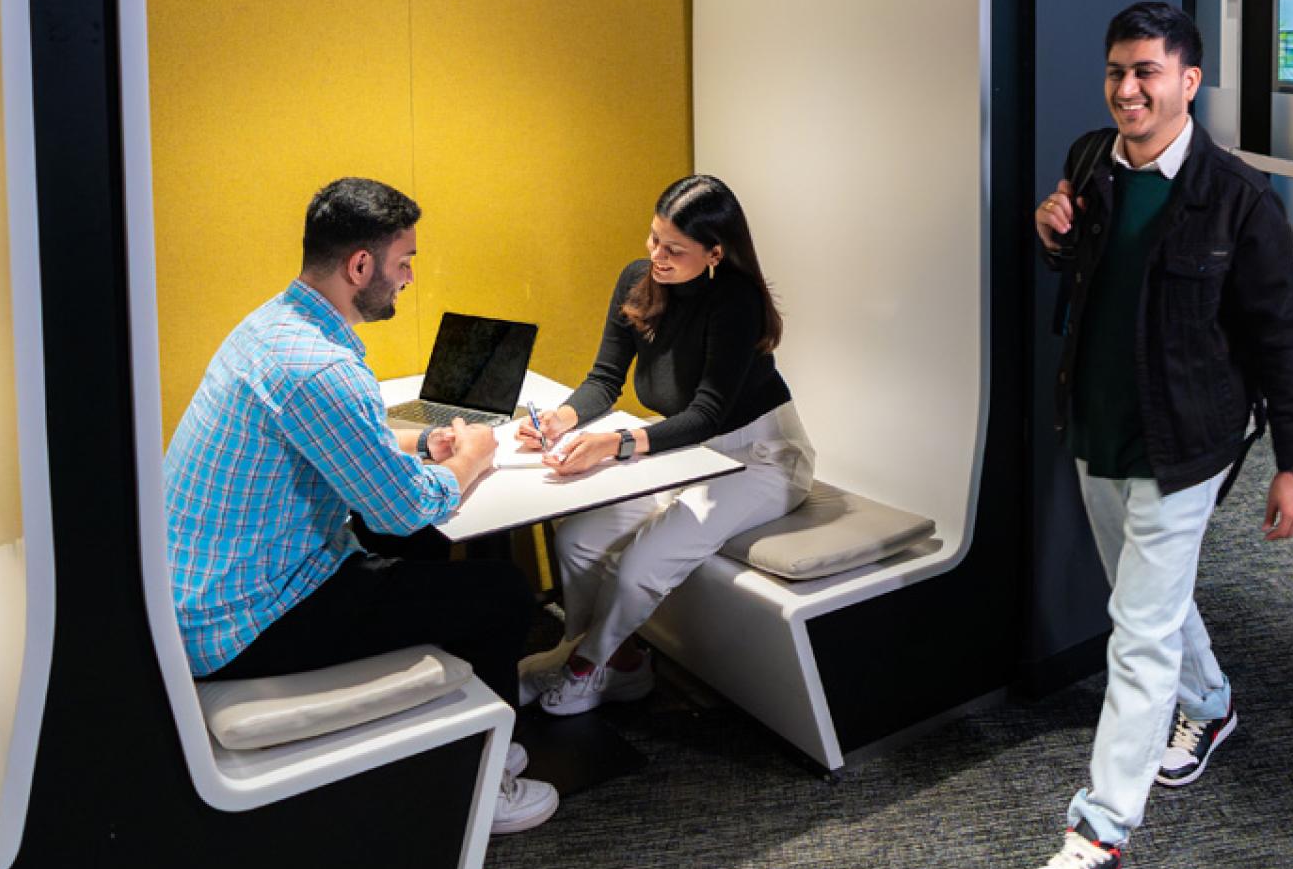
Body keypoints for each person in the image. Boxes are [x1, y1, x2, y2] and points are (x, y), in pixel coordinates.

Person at [1013, 2, 1293, 869]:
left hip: (1189, 440)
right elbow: (1077, 269)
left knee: (1137, 634)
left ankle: (1098, 840)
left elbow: (1279, 334)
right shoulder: (1089, 161)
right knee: (1146, 597)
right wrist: (1053, 232)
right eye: (1116, 71)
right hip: (1098, 425)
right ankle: (1213, 702)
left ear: (1189, 81)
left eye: (1148, 72)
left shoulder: (1238, 197)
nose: (1127, 89)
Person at [164, 176, 558, 834]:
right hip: (246, 623)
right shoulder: (322, 370)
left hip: (208, 591)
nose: (407, 278)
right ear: (360, 266)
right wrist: (473, 455)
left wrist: (427, 438)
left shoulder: (272, 329)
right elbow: (402, 507)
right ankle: (482, 784)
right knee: (503, 591)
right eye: (404, 262)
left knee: (427, 553)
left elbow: (344, 431)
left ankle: (457, 729)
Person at [514, 175, 814, 716]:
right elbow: (606, 378)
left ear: (715, 253)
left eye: (675, 249)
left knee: (639, 565)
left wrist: (615, 443)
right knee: (577, 540)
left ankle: (583, 667)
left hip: (760, 459)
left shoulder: (735, 300)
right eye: (654, 238)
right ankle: (619, 662)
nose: (657, 255)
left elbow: (706, 414)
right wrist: (561, 419)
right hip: (685, 453)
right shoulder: (638, 280)